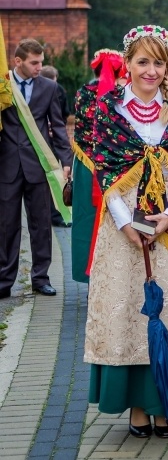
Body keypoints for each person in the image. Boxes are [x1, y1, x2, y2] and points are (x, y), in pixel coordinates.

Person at [84, 25, 168, 439]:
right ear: (127, 64)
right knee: (131, 311)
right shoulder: (107, 109)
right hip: (123, 228)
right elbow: (107, 170)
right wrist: (126, 223)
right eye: (143, 61)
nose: (151, 70)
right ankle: (139, 405)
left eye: (159, 62)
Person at [1, 38, 72, 299]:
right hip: (7, 166)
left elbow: (58, 128)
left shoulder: (49, 88)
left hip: (39, 166)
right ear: (18, 61)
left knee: (41, 225)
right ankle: (4, 279)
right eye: (34, 63)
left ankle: (40, 278)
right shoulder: (3, 85)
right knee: (7, 225)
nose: (39, 67)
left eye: (41, 62)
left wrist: (66, 162)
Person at [71, 49, 128, 283]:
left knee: (86, 218)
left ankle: (88, 277)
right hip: (116, 165)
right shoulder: (121, 95)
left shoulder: (84, 93)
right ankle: (113, 276)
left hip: (86, 166)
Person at [40, 65, 73, 228]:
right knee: (55, 176)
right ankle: (55, 213)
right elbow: (64, 113)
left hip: (44, 138)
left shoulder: (43, 88)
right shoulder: (57, 89)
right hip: (51, 138)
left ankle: (53, 212)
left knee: (51, 177)